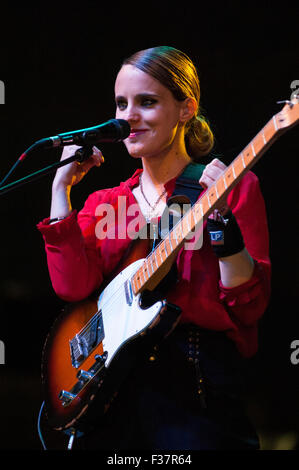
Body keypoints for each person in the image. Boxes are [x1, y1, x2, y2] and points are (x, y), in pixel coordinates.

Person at [37, 46, 271, 450]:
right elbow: (71, 290)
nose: (128, 116)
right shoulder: (105, 203)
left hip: (194, 384)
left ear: (185, 109)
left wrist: (222, 231)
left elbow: (248, 307)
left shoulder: (228, 186)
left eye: (147, 102)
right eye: (121, 103)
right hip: (113, 389)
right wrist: (60, 190)